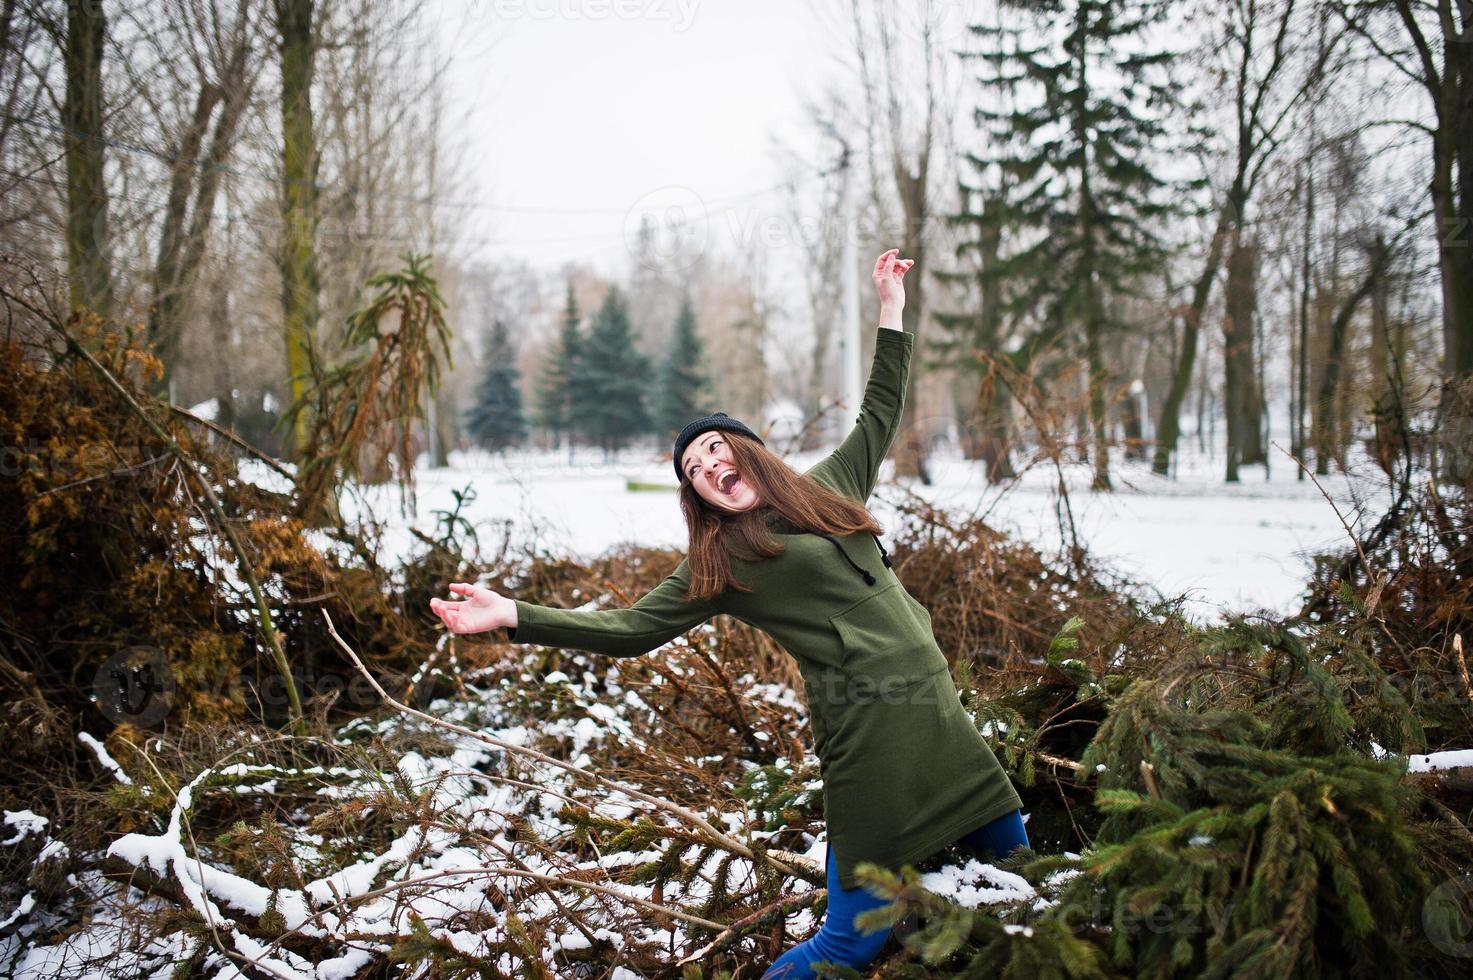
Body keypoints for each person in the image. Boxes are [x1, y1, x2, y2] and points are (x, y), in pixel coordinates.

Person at [429, 249, 1030, 978]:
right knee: (850, 940)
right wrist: (514, 615)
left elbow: (880, 406)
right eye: (694, 471)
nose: (709, 466)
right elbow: (629, 631)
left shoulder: (829, 486)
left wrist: (890, 306)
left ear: (746, 451)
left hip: (938, 719)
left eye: (716, 449)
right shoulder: (723, 563)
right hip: (870, 738)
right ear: (700, 498)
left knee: (1019, 873)